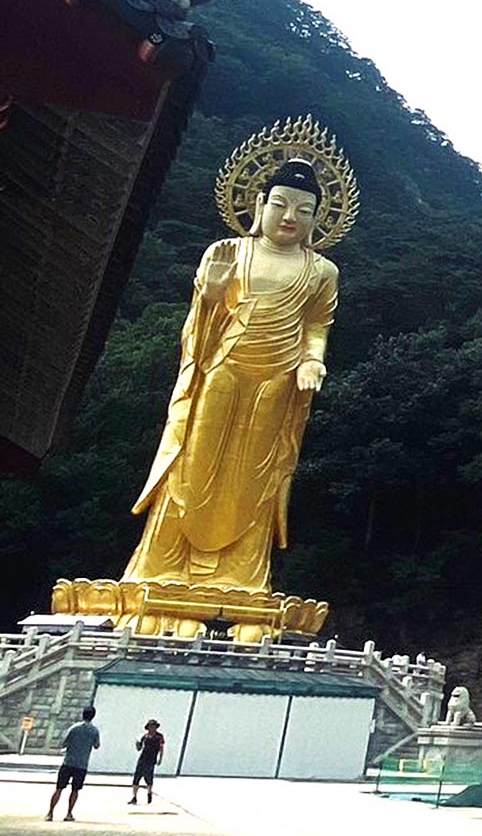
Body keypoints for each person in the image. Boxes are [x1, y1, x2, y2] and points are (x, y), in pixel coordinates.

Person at [122, 158, 341, 606]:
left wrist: (312, 360)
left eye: (303, 210)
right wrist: (210, 295)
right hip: (223, 366)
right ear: (259, 204)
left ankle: (240, 577)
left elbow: (317, 327)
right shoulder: (227, 252)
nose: (289, 217)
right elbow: (201, 324)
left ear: (317, 218)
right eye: (280, 204)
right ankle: (160, 567)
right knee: (193, 462)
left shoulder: (322, 272)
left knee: (256, 474)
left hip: (278, 380)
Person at [47, 706, 100, 823]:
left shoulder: (74, 728)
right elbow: (96, 745)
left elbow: (64, 743)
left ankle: (50, 813)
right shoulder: (94, 730)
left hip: (68, 762)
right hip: (82, 764)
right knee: (75, 790)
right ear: (93, 716)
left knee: (59, 789)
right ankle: (69, 813)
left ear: (83, 714)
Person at [128, 719, 166, 805]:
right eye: (150, 726)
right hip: (142, 759)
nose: (152, 728)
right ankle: (134, 797)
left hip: (151, 760)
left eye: (153, 726)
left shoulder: (159, 737)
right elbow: (139, 748)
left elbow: (161, 748)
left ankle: (149, 792)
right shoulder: (144, 737)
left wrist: (160, 758)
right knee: (136, 778)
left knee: (149, 778)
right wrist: (137, 743)